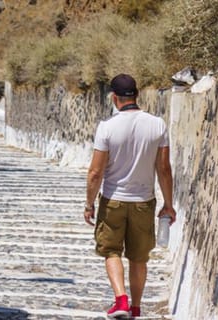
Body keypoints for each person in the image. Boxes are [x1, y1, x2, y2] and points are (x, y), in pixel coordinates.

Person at [83, 74, 175, 319]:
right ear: (136, 95)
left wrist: (89, 203)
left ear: (114, 98)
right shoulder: (157, 125)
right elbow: (164, 169)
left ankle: (120, 300)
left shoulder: (107, 127)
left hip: (113, 201)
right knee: (138, 257)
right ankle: (135, 307)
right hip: (144, 202)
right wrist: (168, 204)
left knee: (111, 251)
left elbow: (95, 172)